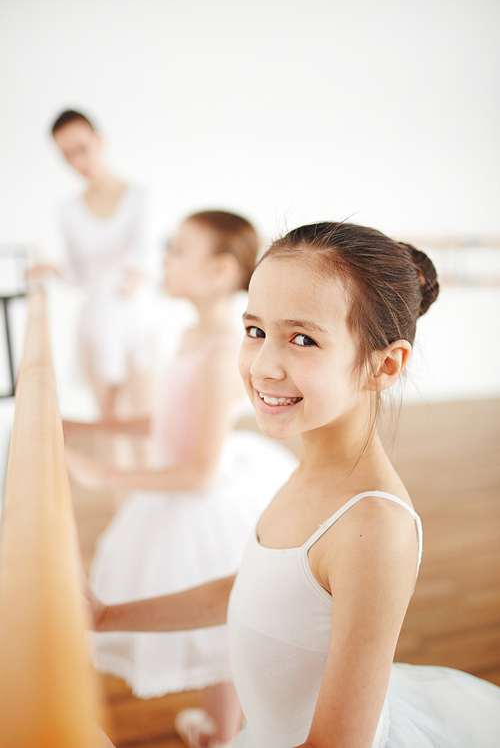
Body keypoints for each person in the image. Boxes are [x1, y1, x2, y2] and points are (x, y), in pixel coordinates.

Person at [83, 221, 500, 748]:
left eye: (302, 339)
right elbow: (256, 590)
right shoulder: (307, 468)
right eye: (255, 331)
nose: (263, 366)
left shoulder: (374, 527)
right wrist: (105, 616)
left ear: (384, 365)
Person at [65, 211, 298, 748]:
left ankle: (223, 731)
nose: (163, 259)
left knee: (222, 632)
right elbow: (171, 420)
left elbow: (197, 473)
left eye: (177, 250)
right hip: (190, 489)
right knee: (219, 637)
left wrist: (104, 472)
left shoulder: (222, 352)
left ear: (218, 269)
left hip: (205, 497)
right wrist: (91, 425)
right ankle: (218, 729)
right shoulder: (195, 333)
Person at [32, 109, 159, 461]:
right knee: (107, 429)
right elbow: (77, 275)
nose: (78, 160)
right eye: (67, 155)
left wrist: (137, 274)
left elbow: (146, 258)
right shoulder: (68, 210)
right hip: (97, 322)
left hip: (136, 321)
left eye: (82, 148)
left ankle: (152, 512)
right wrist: (52, 268)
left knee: (143, 430)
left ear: (100, 141)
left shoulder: (139, 197)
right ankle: (125, 512)